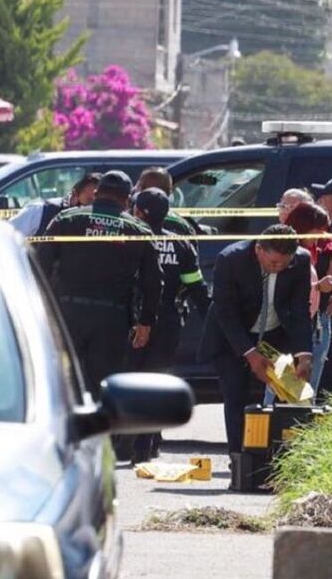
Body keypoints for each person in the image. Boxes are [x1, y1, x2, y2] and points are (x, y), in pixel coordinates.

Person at [37, 170, 162, 402]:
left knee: (61, 385)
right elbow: (153, 281)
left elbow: (39, 267)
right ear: (127, 200)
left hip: (67, 316)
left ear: (96, 194)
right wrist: (146, 322)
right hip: (112, 321)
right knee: (106, 390)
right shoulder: (139, 230)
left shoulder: (66, 219)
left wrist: (41, 312)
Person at [198, 225, 313, 461]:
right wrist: (250, 354)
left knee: (269, 397)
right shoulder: (230, 259)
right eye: (273, 263)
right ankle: (239, 459)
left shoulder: (301, 260)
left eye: (285, 264)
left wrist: (304, 355)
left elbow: (300, 309)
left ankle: (267, 458)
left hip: (273, 336)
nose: (278, 268)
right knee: (235, 395)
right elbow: (225, 312)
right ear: (259, 249)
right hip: (231, 338)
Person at [129, 188, 211, 463]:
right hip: (168, 322)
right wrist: (214, 322)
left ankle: (136, 444)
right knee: (156, 381)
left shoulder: (129, 240)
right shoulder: (180, 244)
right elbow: (197, 288)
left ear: (138, 212)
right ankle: (148, 443)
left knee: (133, 382)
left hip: (134, 320)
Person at [276, 202, 332, 401]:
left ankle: (302, 417)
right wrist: (317, 287)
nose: (320, 236)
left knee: (306, 389)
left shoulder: (314, 248)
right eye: (317, 230)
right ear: (303, 226)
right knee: (280, 387)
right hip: (289, 326)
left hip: (315, 321)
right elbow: (285, 290)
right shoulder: (286, 251)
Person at [9, 173, 101, 237]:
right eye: (88, 202)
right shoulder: (40, 212)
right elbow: (7, 241)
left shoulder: (106, 223)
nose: (91, 209)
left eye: (98, 204)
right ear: (74, 195)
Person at [134, 166, 206, 236]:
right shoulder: (185, 224)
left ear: (140, 189)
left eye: (138, 185)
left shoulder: (133, 223)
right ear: (170, 192)